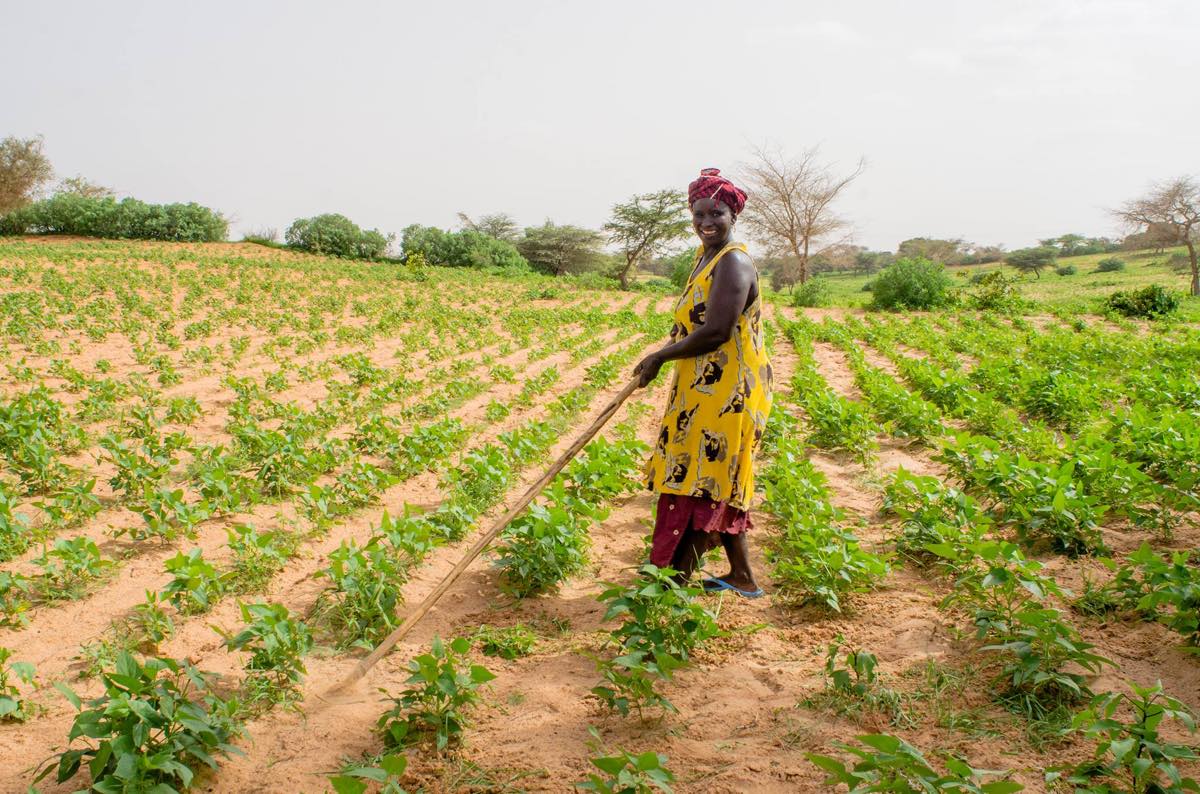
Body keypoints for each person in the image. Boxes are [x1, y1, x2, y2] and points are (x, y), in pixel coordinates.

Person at [634, 167, 773, 598]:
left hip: (728, 391)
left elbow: (715, 331)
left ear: (733, 214)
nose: (706, 222)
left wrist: (659, 356)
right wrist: (669, 350)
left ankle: (674, 579)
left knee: (706, 477)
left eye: (716, 213)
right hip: (704, 388)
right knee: (711, 474)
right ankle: (743, 577)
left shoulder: (733, 261)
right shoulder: (707, 257)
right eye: (699, 214)